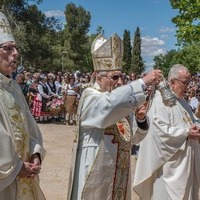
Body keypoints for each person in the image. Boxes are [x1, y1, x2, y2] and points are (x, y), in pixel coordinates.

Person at [67, 33, 162, 200]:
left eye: (121, 76)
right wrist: (142, 82)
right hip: (96, 170)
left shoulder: (119, 101)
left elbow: (133, 139)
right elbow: (107, 106)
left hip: (120, 171)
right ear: (98, 76)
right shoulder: (91, 96)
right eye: (114, 77)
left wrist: (140, 119)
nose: (119, 82)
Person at [133, 64, 200, 200]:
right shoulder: (160, 101)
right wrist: (186, 133)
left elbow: (191, 121)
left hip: (186, 164)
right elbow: (158, 132)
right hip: (167, 169)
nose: (188, 86)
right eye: (184, 82)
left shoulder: (183, 102)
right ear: (172, 82)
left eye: (189, 81)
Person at [0, 11, 46, 199]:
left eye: (15, 48)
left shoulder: (14, 86)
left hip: (24, 173)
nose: (15, 53)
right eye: (8, 48)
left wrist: (35, 153)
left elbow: (29, 124)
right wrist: (17, 167)